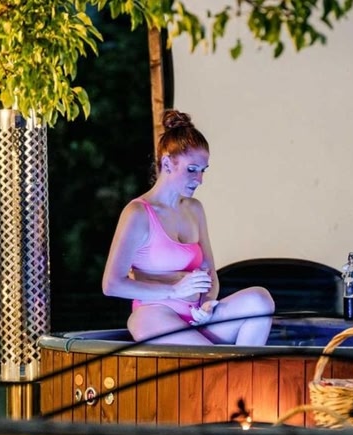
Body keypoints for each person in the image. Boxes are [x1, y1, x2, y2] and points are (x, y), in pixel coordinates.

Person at [102, 110, 274, 345]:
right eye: (192, 169)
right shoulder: (138, 213)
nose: (199, 179)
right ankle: (229, 366)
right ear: (167, 163)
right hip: (155, 314)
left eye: (203, 170)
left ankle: (245, 368)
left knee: (260, 300)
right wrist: (174, 290)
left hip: (197, 314)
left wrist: (207, 303)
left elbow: (209, 272)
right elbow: (112, 285)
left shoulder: (195, 209)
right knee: (210, 359)